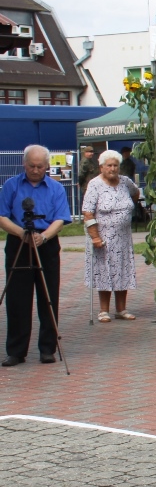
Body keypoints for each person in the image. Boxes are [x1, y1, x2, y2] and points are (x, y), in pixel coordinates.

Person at [0, 145, 69, 366]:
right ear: (24, 164)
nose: (36, 170)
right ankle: (16, 350)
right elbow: (2, 216)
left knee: (48, 296)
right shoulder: (11, 185)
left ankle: (47, 348)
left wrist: (44, 236)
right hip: (18, 242)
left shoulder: (56, 188)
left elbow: (61, 218)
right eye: (31, 166)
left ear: (47, 166)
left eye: (40, 166)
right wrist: (21, 233)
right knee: (17, 298)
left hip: (46, 244)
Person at [82, 150, 139, 322]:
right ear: (101, 167)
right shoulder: (94, 184)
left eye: (115, 165)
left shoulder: (125, 182)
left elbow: (135, 194)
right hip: (102, 236)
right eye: (109, 165)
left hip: (123, 236)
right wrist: (95, 237)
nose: (113, 169)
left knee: (122, 269)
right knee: (104, 271)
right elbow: (88, 213)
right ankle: (103, 310)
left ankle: (121, 309)